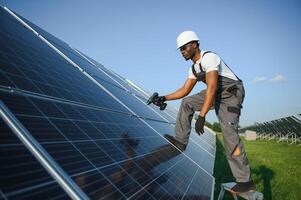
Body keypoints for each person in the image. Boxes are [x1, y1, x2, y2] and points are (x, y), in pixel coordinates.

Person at [151, 31, 256, 194]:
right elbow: (184, 90)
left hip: (231, 93)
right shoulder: (193, 69)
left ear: (194, 44)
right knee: (187, 103)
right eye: (180, 50)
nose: (182, 52)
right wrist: (164, 97)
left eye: (184, 48)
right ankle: (180, 141)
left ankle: (245, 181)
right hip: (215, 94)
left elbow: (212, 87)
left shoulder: (209, 58)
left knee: (229, 134)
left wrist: (202, 116)